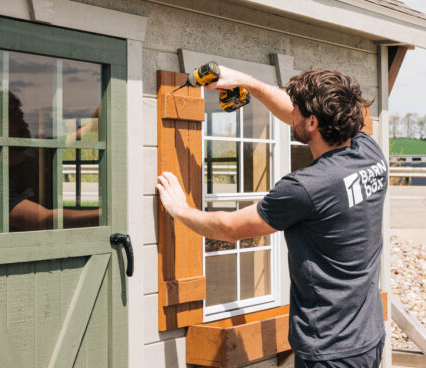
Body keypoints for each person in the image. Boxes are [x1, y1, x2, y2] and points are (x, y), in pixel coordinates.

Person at [156, 67, 387, 368]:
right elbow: (301, 114)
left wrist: (180, 209)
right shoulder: (369, 151)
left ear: (314, 122)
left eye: (297, 110)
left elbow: (229, 228)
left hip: (330, 349)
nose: (291, 112)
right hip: (367, 337)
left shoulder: (307, 187)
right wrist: (248, 82)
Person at [0, 91, 100, 232]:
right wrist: (110, 215)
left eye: (21, 117)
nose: (25, 124)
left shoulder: (38, 153)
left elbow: (89, 130)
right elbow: (43, 220)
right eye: (14, 121)